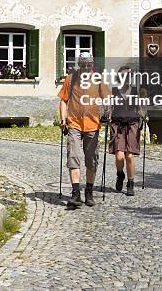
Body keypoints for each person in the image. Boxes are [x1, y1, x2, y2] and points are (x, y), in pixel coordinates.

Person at [58, 52, 110, 208]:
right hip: (74, 125)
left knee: (91, 160)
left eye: (88, 65)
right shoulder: (71, 78)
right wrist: (63, 119)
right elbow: (63, 101)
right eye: (82, 65)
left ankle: (88, 191)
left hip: (93, 126)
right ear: (78, 65)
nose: (85, 68)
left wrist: (108, 111)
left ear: (92, 65)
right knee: (73, 156)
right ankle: (75, 194)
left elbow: (107, 98)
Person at [109, 65, 145, 196]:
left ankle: (130, 183)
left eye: (129, 76)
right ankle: (120, 175)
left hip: (132, 124)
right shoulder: (113, 91)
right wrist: (106, 114)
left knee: (129, 155)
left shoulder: (135, 91)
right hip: (117, 125)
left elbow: (139, 107)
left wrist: (144, 116)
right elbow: (109, 107)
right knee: (119, 155)